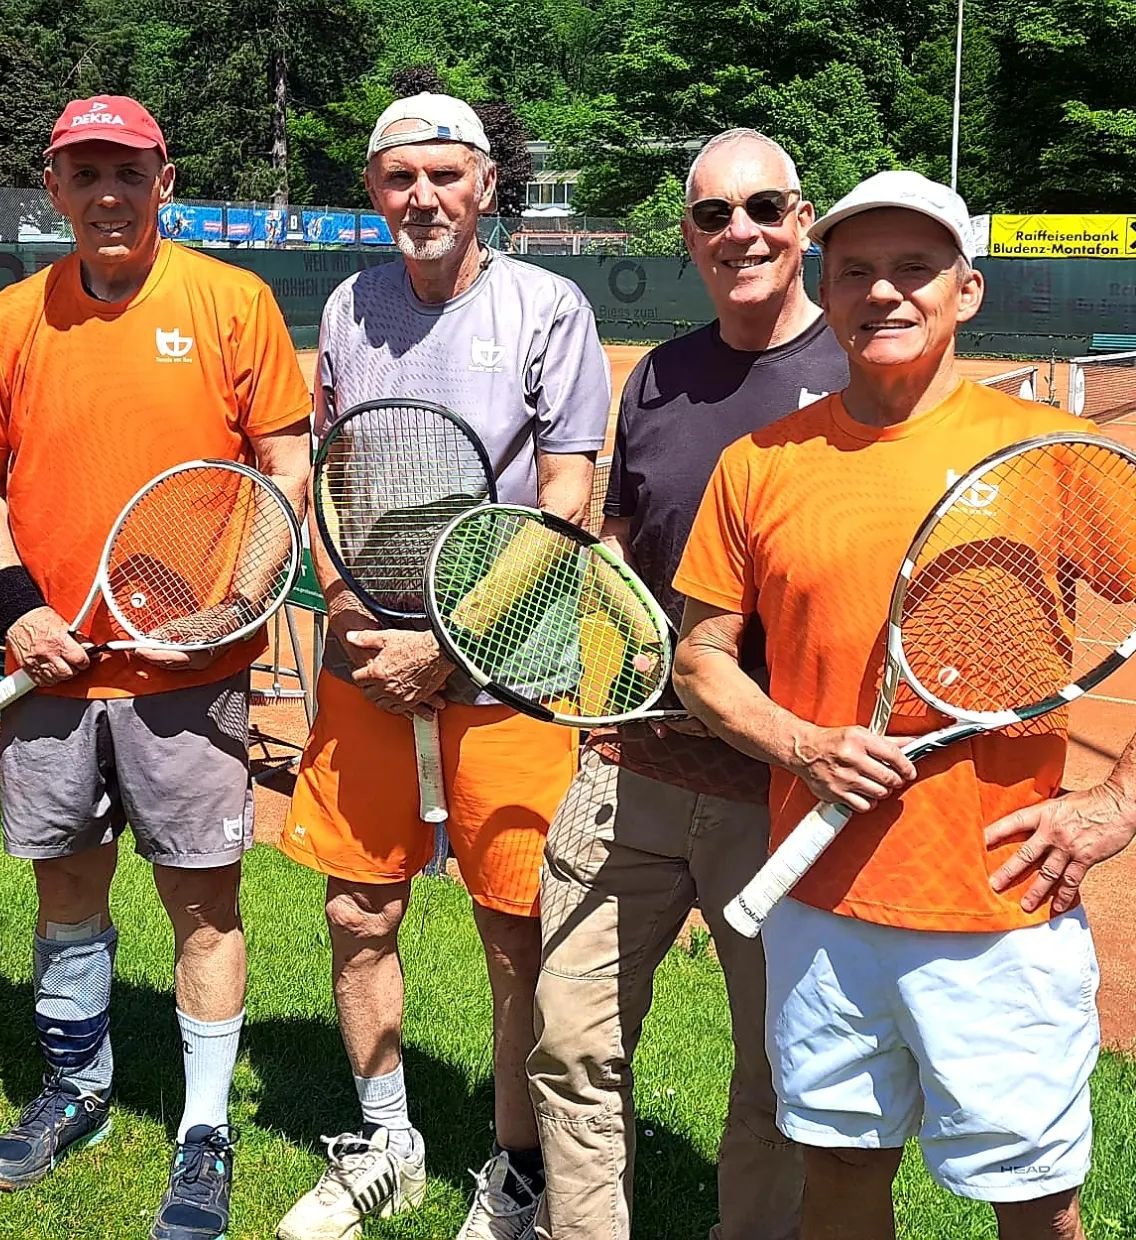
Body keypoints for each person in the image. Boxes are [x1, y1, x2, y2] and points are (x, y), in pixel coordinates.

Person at [672, 169, 1136, 1240]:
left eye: (916, 270)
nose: (886, 295)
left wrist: (1112, 806)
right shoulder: (759, 465)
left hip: (1001, 910)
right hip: (819, 912)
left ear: (966, 291)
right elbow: (703, 659)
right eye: (858, 274)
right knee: (836, 1193)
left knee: (1040, 1209)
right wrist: (802, 742)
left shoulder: (1044, 457)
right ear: (824, 295)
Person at [0, 96, 311, 1240]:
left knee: (203, 903)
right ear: (53, 188)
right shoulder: (8, 322)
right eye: (85, 172)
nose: (107, 192)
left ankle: (205, 1128)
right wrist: (19, 607)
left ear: (165, 179)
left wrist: (234, 601)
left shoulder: (231, 301)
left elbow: (282, 469)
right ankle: (78, 1088)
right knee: (67, 892)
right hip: (54, 672)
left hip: (191, 679)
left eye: (129, 170)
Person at [275, 92, 609, 1240]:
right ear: (375, 190)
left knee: (516, 935)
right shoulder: (347, 307)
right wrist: (352, 610)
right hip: (368, 660)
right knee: (357, 913)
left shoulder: (547, 308)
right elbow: (332, 475)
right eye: (399, 177)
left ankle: (517, 1170)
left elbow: (568, 497)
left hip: (509, 668)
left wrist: (453, 637)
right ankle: (383, 1145)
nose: (422, 197)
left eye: (444, 176)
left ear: (485, 186)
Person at [526, 128, 845, 1240]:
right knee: (570, 1043)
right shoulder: (657, 375)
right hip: (631, 767)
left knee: (775, 1077)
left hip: (782, 790)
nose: (740, 232)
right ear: (688, 237)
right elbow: (623, 539)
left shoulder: (858, 373)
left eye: (763, 208)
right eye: (714, 215)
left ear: (803, 219)